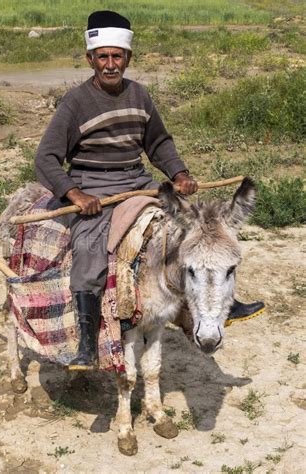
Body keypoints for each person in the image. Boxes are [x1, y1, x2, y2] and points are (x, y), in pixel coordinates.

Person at [35, 11, 264, 370]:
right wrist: (75, 195)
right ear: (90, 59)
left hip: (138, 182)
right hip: (95, 188)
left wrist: (179, 172)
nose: (111, 65)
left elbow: (158, 142)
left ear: (128, 58)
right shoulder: (75, 102)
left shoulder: (140, 95)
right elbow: (46, 158)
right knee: (88, 249)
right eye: (103, 57)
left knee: (199, 233)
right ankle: (85, 343)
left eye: (117, 57)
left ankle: (222, 304)